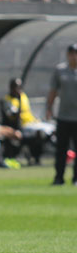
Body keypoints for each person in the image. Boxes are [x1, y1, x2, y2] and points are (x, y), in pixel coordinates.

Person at [1, 78, 54, 165]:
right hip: (23, 126)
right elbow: (12, 117)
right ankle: (35, 156)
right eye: (16, 87)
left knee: (51, 128)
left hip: (32, 123)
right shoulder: (8, 100)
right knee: (40, 132)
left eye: (20, 87)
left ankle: (63, 151)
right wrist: (18, 104)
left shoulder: (23, 96)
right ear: (11, 88)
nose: (19, 90)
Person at [47, 44, 77, 186]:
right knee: (61, 150)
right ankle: (59, 177)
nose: (74, 56)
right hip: (64, 117)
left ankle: (76, 178)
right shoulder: (60, 71)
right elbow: (53, 91)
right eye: (71, 53)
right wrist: (49, 108)